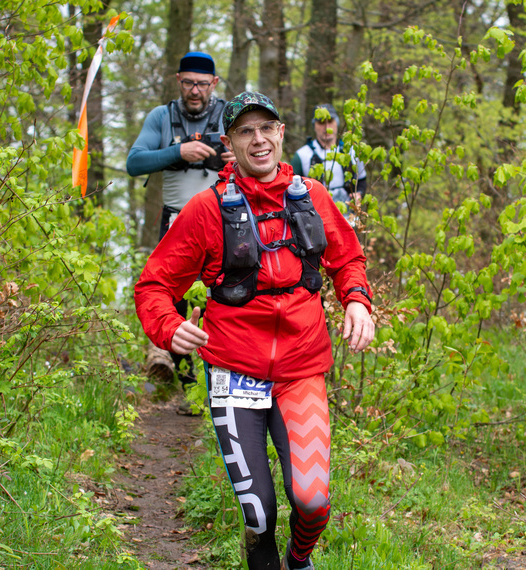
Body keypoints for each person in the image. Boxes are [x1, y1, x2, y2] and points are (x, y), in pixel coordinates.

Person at [134, 91, 375, 569]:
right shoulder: (205, 210)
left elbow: (347, 258)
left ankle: (299, 560)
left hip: (301, 367)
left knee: (312, 500)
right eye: (245, 131)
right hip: (234, 370)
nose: (258, 140)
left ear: (282, 133)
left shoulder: (313, 196)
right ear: (230, 143)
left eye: (267, 128)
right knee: (258, 514)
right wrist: (167, 326)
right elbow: (154, 284)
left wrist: (357, 301)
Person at [126, 51, 233, 412]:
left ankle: (221, 386)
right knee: (176, 302)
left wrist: (237, 160)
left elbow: (262, 154)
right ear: (178, 80)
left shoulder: (228, 115)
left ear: (214, 84)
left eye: (202, 84)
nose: (194, 90)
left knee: (223, 298)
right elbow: (134, 162)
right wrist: (177, 151)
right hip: (177, 223)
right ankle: (190, 391)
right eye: (188, 82)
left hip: (224, 220)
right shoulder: (163, 116)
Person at [291, 103, 367, 206]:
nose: (327, 127)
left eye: (330, 121)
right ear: (314, 126)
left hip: (349, 217)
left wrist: (359, 194)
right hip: (317, 216)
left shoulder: (352, 151)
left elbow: (362, 180)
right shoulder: (302, 156)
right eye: (321, 122)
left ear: (337, 123)